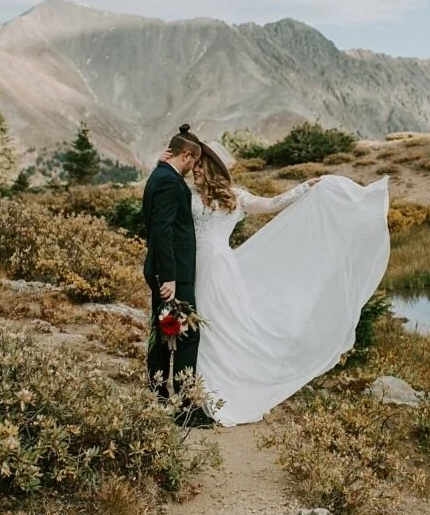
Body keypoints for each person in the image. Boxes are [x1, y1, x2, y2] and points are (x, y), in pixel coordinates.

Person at [159, 136, 390, 426]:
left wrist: (304, 188)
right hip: (192, 268)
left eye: (201, 166)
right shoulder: (187, 195)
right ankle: (193, 394)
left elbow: (270, 204)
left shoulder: (235, 197)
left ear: (213, 168)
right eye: (194, 165)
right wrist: (163, 164)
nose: (195, 170)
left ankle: (214, 395)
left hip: (219, 270)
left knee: (219, 327)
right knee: (197, 330)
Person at [142, 125, 203, 408]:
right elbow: (162, 230)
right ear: (186, 155)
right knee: (186, 335)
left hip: (168, 272)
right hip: (172, 274)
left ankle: (159, 396)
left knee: (166, 332)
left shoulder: (160, 174)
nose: (194, 168)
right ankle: (184, 405)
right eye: (194, 161)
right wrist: (169, 277)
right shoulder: (169, 182)